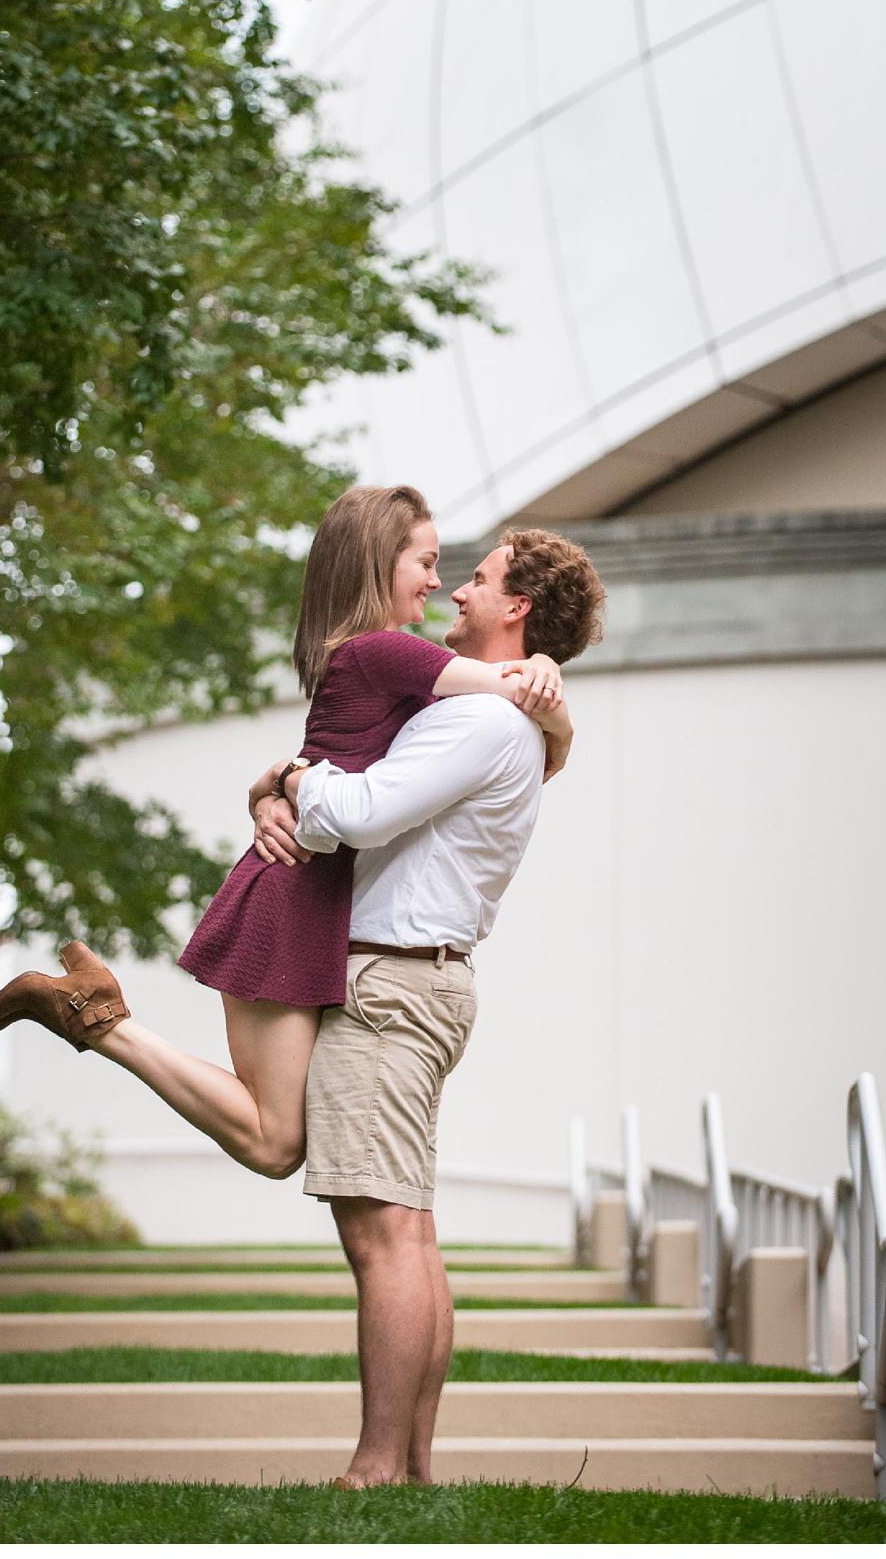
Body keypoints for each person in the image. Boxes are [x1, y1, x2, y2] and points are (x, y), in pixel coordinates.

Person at [0, 485, 573, 1184]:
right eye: (427, 561)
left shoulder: (375, 658)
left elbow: (515, 747)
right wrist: (542, 672)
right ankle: (95, 1014)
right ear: (382, 561)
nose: (439, 581)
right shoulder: (386, 650)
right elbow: (524, 703)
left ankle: (94, 1012)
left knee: (275, 1143)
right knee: (273, 1142)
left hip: (307, 891)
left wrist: (276, 783)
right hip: (292, 893)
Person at [263, 529, 605, 1485]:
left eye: (481, 581)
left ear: (519, 608)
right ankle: (409, 1464)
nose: (457, 590)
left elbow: (362, 814)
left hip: (390, 984)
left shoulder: (481, 722)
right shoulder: (512, 718)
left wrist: (289, 781)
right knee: (408, 1232)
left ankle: (375, 1467)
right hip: (425, 980)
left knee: (383, 1239)